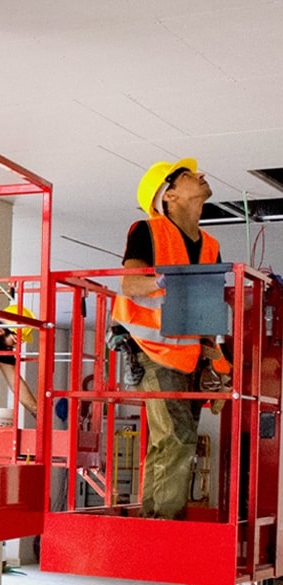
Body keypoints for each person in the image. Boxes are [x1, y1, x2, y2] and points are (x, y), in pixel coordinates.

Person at [113, 158, 232, 520]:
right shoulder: (148, 230)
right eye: (187, 175)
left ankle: (157, 519)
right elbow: (129, 284)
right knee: (176, 439)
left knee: (177, 441)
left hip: (188, 354)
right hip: (151, 351)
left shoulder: (210, 245)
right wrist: (164, 281)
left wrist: (213, 354)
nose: (201, 175)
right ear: (169, 195)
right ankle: (163, 524)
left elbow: (207, 306)